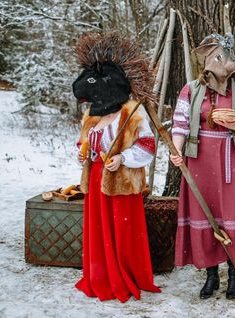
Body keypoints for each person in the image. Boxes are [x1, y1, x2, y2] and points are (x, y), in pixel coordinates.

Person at [170, 33, 235, 300]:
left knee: (229, 214)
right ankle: (211, 275)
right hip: (199, 159)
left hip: (231, 158)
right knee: (205, 212)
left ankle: (233, 274)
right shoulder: (191, 89)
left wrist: (233, 124)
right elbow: (180, 124)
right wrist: (177, 150)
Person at [72, 32, 160, 302]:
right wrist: (83, 155)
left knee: (122, 233)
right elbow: (83, 144)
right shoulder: (91, 116)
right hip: (97, 182)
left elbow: (148, 145)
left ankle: (124, 274)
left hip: (122, 181)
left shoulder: (131, 112)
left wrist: (123, 158)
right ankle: (101, 274)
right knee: (100, 232)